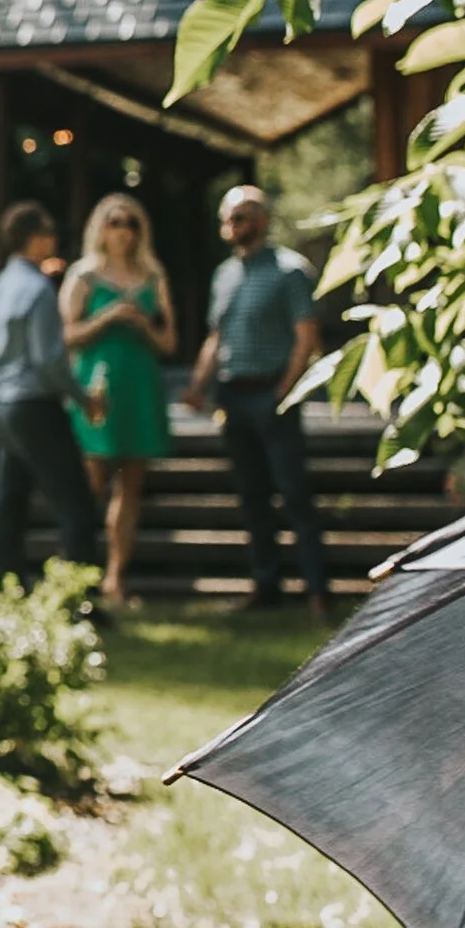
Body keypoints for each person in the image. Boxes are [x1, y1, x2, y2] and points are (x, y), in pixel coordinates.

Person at [182, 184, 330, 619]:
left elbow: (307, 336)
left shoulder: (290, 271)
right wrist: (198, 384)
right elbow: (217, 336)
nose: (233, 225)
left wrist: (286, 388)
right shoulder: (223, 275)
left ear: (261, 220)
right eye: (227, 218)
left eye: (241, 217)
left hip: (273, 394)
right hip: (234, 394)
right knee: (252, 496)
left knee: (294, 493)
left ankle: (319, 590)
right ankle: (266, 585)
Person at [0, 201, 105, 588]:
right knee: (76, 504)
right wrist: (85, 399)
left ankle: (4, 587)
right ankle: (81, 598)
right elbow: (49, 361)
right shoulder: (39, 289)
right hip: (35, 406)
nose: (54, 237)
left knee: (9, 507)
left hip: (3, 406)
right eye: (49, 230)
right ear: (34, 238)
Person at [60, 193, 177, 606]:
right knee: (90, 484)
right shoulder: (84, 276)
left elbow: (169, 342)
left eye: (130, 222)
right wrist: (108, 316)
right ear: (101, 227)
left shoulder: (153, 276)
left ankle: (116, 577)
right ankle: (79, 575)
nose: (122, 229)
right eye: (114, 221)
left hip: (139, 386)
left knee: (131, 486)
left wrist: (142, 323)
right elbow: (65, 336)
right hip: (98, 388)